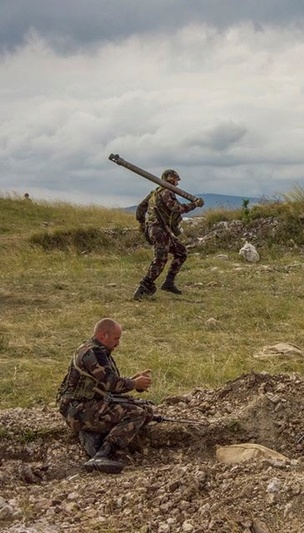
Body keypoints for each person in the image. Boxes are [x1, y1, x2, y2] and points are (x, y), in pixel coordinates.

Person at [56, 318, 154, 474]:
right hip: (77, 410)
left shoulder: (98, 351)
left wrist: (133, 381)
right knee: (136, 413)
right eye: (116, 339)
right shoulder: (93, 353)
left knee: (146, 411)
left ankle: (98, 437)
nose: (118, 343)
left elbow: (106, 385)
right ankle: (103, 453)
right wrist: (134, 384)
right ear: (103, 336)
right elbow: (110, 384)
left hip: (85, 406)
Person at [133, 169, 200, 300]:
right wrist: (194, 205)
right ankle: (144, 287)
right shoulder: (167, 191)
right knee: (160, 259)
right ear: (170, 179)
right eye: (176, 180)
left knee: (181, 252)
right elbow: (176, 208)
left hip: (159, 230)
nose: (177, 184)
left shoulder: (155, 192)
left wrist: (142, 224)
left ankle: (168, 283)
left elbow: (141, 208)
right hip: (160, 231)